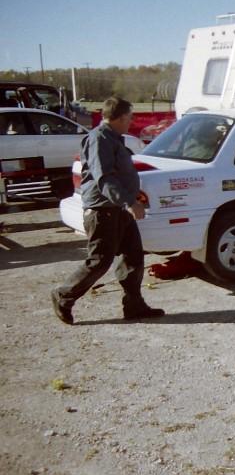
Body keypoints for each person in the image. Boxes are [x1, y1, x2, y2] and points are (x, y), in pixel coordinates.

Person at [51, 97, 165, 325]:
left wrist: (131, 199)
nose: (131, 122)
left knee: (132, 257)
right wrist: (130, 202)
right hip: (104, 210)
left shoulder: (112, 138)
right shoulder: (100, 139)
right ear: (121, 118)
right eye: (129, 118)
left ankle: (134, 305)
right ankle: (64, 295)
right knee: (100, 261)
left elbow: (119, 174)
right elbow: (105, 178)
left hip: (118, 208)